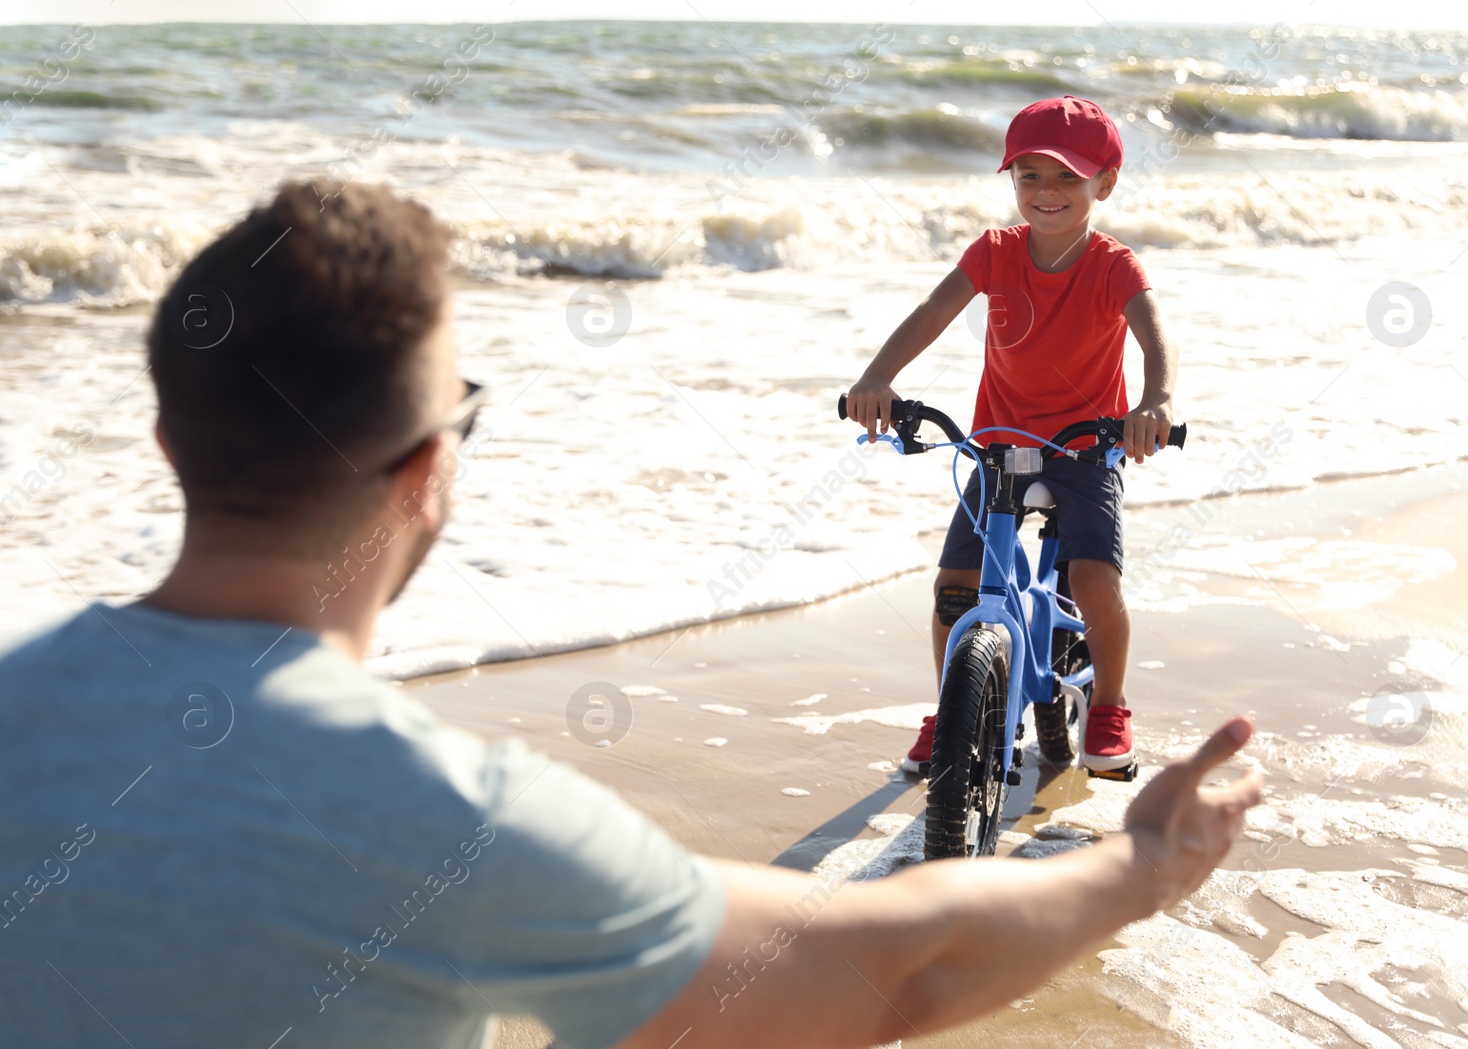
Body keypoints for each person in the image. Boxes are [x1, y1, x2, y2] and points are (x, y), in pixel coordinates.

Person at [0, 180, 1258, 1049]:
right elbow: (881, 970)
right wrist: (1137, 869)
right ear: (429, 472)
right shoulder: (451, 820)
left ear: (167, 441)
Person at [846, 94, 1175, 778]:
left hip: (1086, 449)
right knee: (955, 586)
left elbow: (1152, 336)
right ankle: (949, 708)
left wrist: (1156, 401)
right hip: (998, 444)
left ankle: (1110, 706)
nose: (1046, 192)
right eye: (1029, 176)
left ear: (1103, 184)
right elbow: (934, 311)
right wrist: (878, 376)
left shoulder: (1114, 266)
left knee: (1093, 580)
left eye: (1066, 178)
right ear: (1011, 181)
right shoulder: (995, 252)